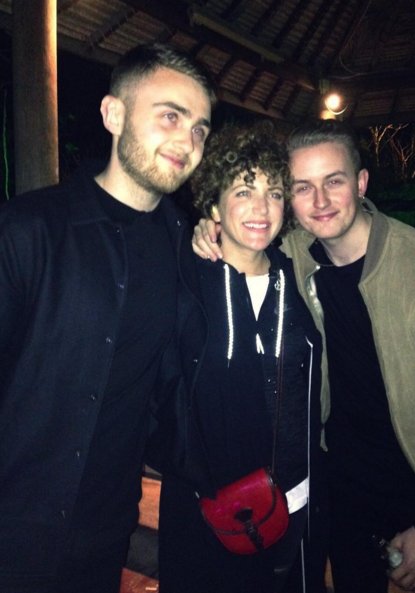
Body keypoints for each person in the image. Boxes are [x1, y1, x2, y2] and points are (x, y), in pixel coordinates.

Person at [192, 119, 415, 593]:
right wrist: (209, 228)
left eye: (334, 181)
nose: (319, 201)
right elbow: (246, 234)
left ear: (361, 183)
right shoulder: (296, 251)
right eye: (302, 187)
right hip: (343, 484)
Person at [0, 42, 215, 593]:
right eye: (171, 116)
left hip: (105, 532)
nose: (188, 141)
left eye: (200, 129)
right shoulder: (27, 230)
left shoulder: (186, 252)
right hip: (13, 528)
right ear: (113, 114)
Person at [147, 122, 327, 593]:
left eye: (273, 193)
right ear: (214, 205)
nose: (261, 208)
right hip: (210, 513)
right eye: (244, 191)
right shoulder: (184, 282)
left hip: (295, 502)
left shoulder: (298, 277)